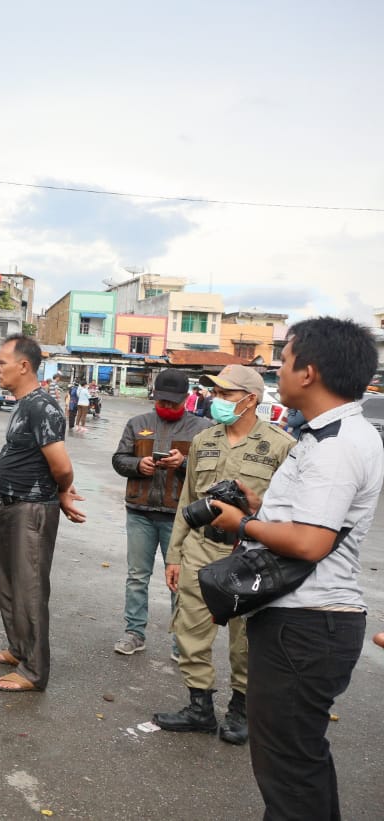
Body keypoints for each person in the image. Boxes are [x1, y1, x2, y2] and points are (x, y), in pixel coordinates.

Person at [206, 318, 381, 816]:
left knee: (288, 768)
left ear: (310, 372)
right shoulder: (330, 435)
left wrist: (244, 524)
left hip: (305, 625)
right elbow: (312, 521)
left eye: (284, 360)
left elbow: (308, 542)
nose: (277, 370)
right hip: (308, 623)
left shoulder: (337, 444)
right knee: (298, 761)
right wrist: (261, 506)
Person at [152, 364, 294, 744]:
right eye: (216, 394)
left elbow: (290, 511)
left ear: (250, 400)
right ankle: (199, 707)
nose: (218, 401)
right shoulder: (204, 439)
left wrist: (255, 507)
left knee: (245, 638)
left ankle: (241, 709)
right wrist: (175, 555)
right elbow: (188, 500)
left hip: (249, 555)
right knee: (189, 629)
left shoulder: (281, 446)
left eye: (227, 395)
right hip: (201, 549)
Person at [0, 336, 85, 693]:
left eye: (1, 362)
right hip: (13, 506)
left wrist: (62, 491)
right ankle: (18, 650)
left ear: (23, 366)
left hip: (33, 510)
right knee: (9, 583)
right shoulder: (25, 404)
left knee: (29, 589)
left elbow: (61, 465)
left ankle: (33, 671)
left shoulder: (43, 406)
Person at [109, 369, 212, 656]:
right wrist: (137, 465)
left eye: (173, 403)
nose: (166, 407)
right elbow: (119, 459)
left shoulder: (203, 429)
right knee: (137, 576)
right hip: (140, 511)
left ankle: (181, 642)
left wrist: (183, 463)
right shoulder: (137, 423)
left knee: (180, 581)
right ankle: (134, 633)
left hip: (180, 517)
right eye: (162, 402)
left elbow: (212, 472)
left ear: (186, 399)